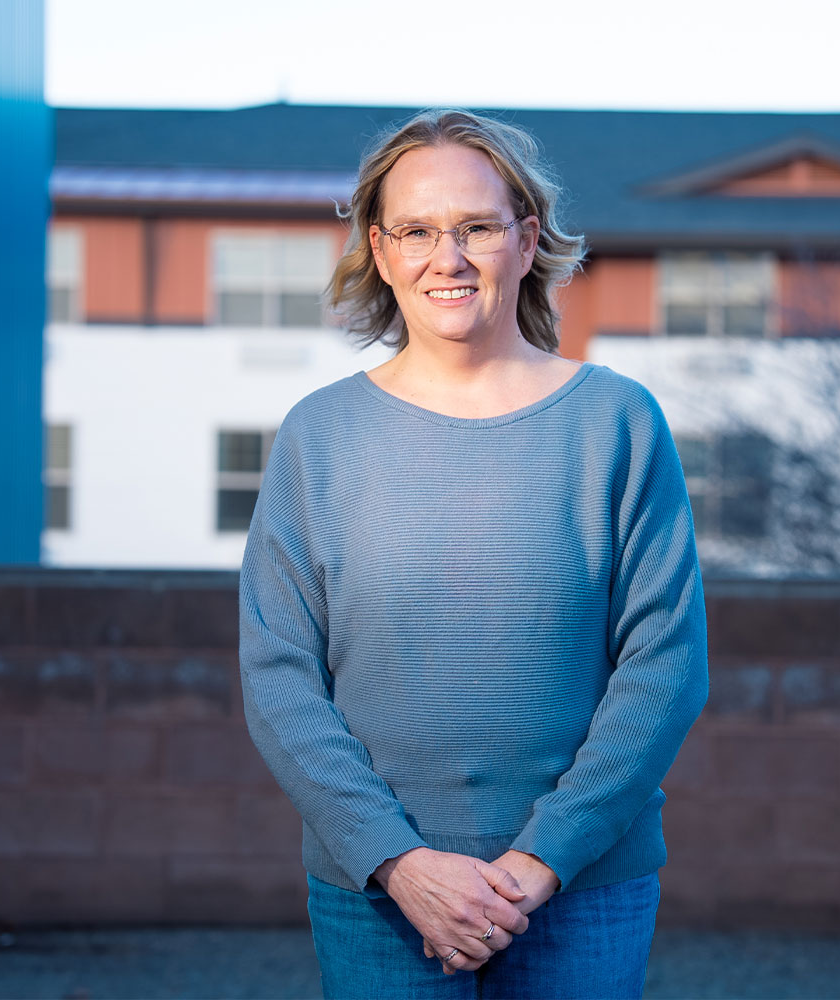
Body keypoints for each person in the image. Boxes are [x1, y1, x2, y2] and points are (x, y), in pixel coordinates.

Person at [239, 108, 708, 1000]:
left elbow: (665, 666)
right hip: (377, 894)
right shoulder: (320, 437)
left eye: (476, 228)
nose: (445, 258)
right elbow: (278, 675)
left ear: (526, 240)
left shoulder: (616, 424)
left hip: (580, 896)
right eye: (415, 231)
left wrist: (539, 862)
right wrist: (400, 861)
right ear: (379, 251)